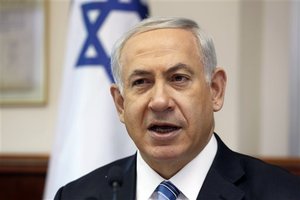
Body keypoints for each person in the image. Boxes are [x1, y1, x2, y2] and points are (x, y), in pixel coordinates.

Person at [54, 17, 300, 200]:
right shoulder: (75, 196)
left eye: (178, 78)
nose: (160, 101)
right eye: (141, 82)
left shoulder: (284, 194)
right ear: (120, 103)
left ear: (215, 90)